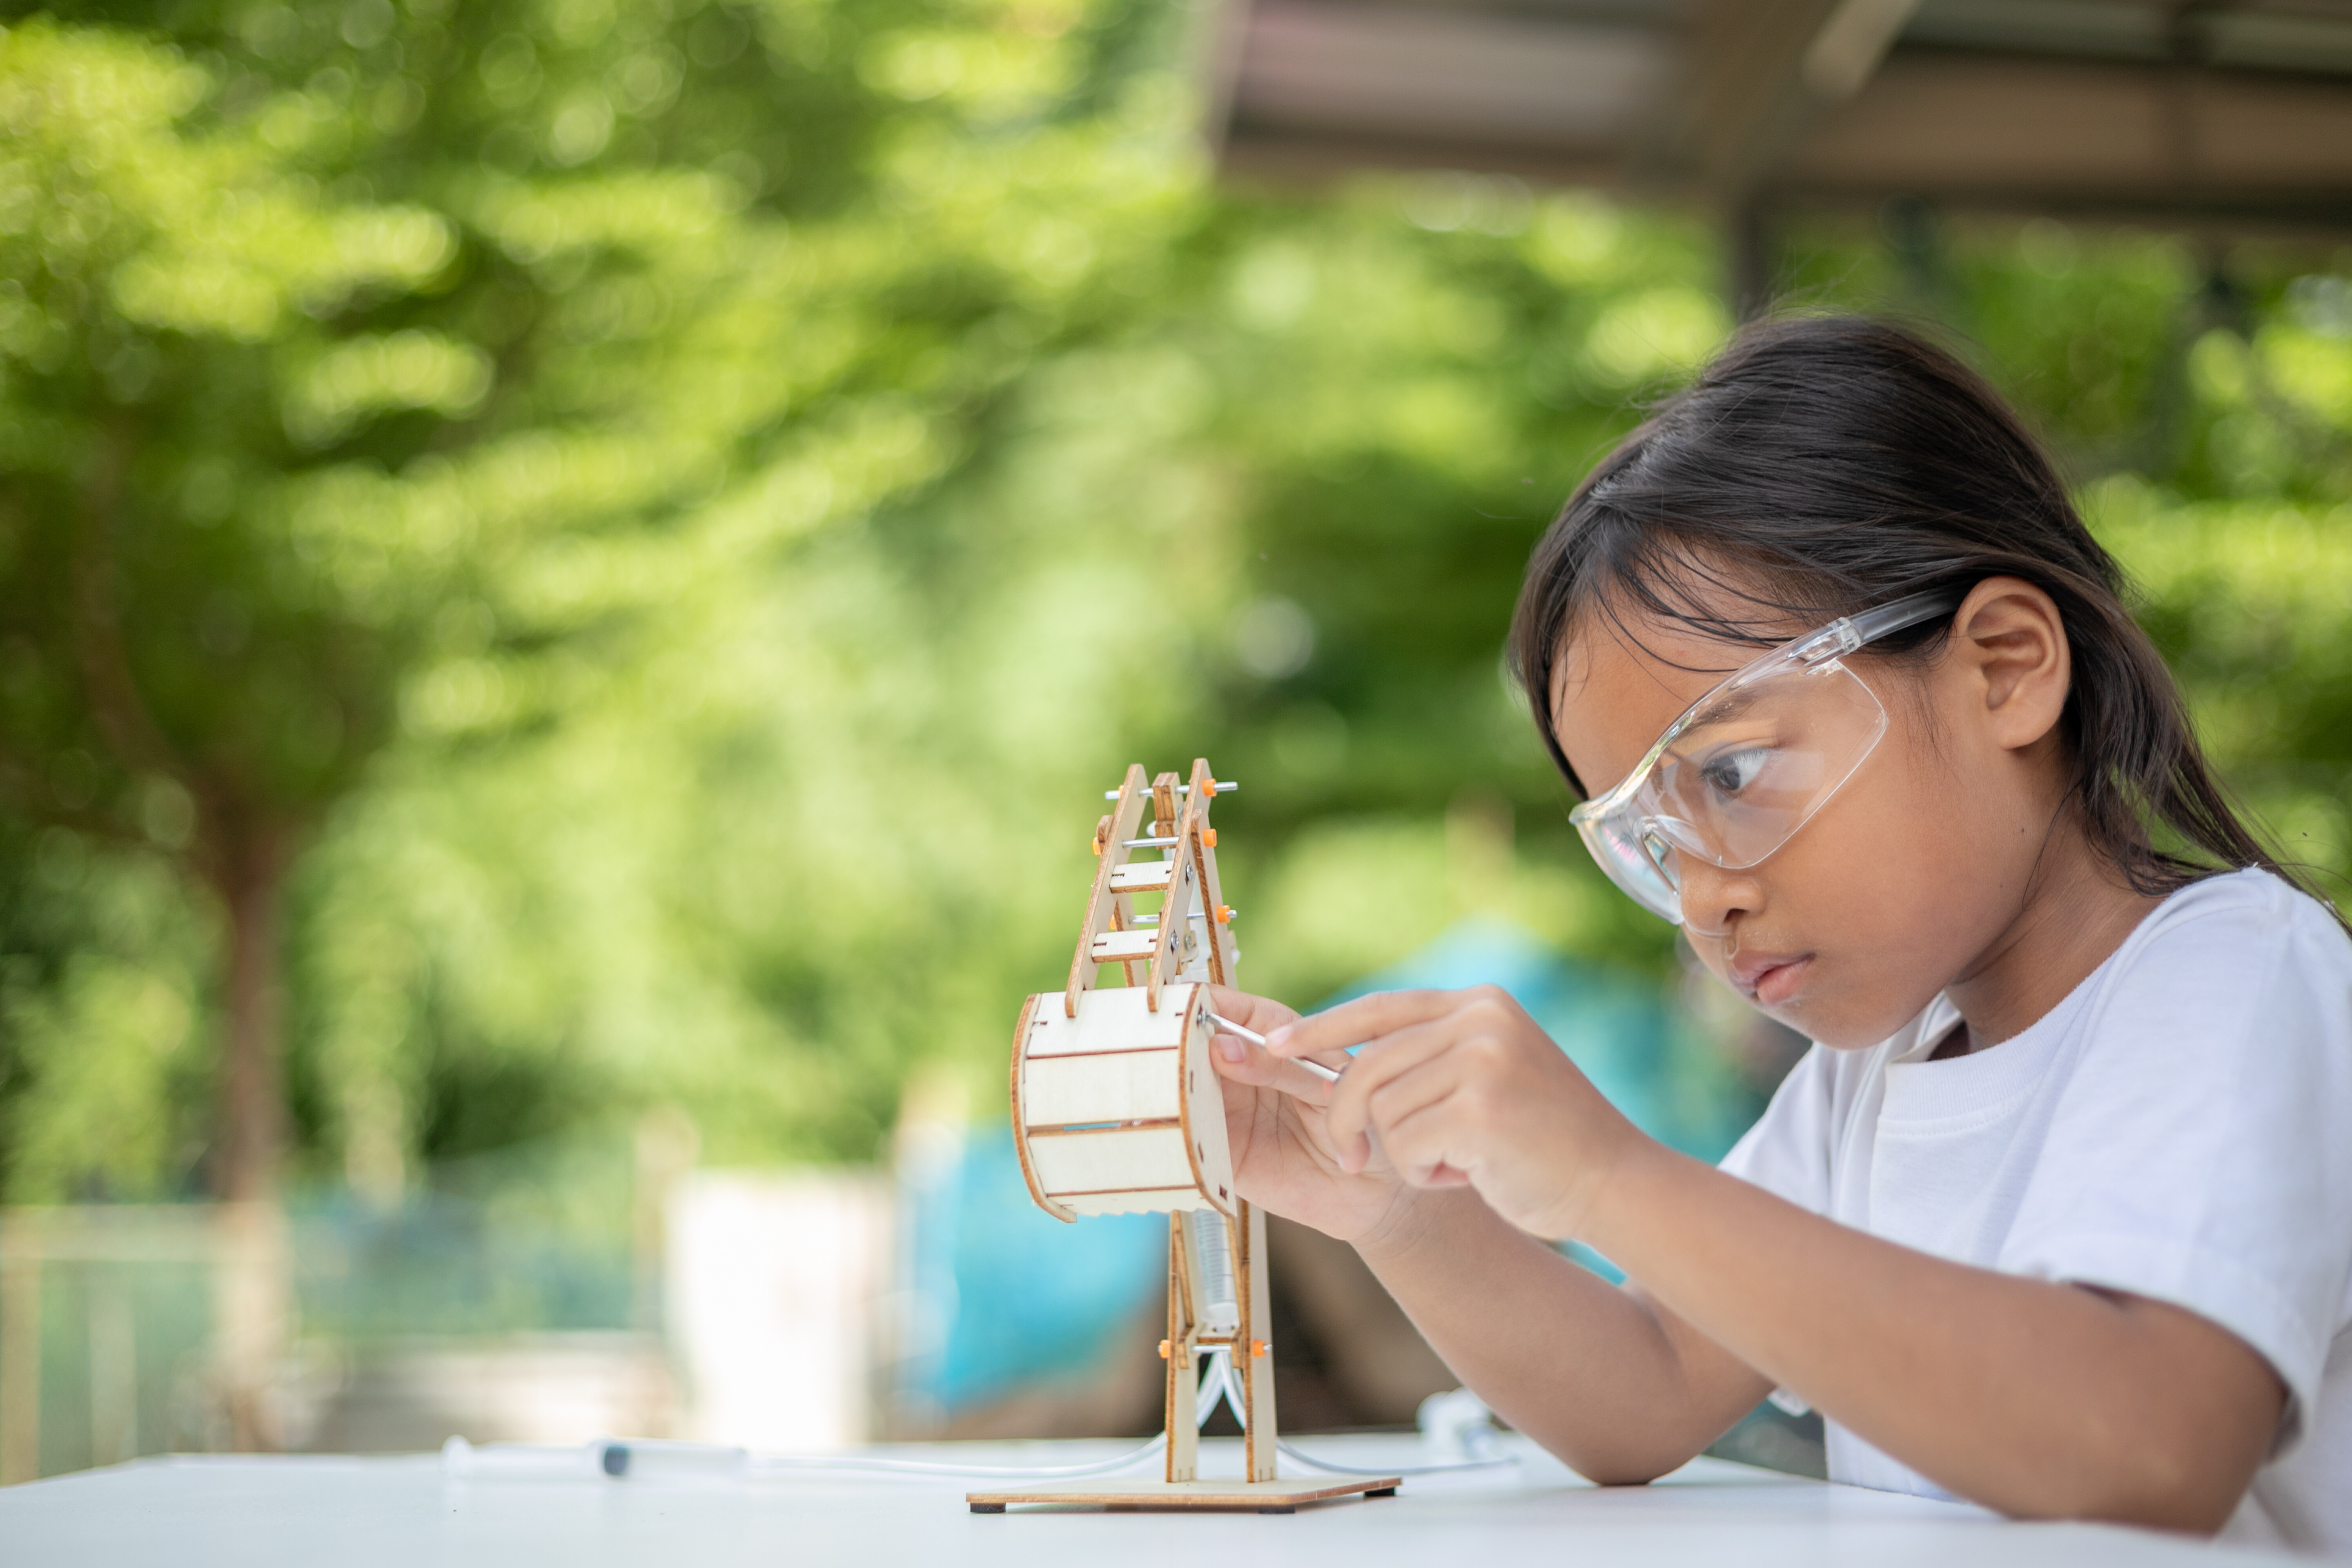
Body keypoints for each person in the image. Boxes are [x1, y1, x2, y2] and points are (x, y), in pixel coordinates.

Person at [1206, 316, 2352, 1547]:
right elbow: (1645, 1390)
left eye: (1735, 775)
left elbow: (2149, 1444)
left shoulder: (2234, 977)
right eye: (1648, 842)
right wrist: (1383, 1199)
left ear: (2007, 670)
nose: (1704, 899)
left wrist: (1609, 1174)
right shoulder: (1873, 1077)